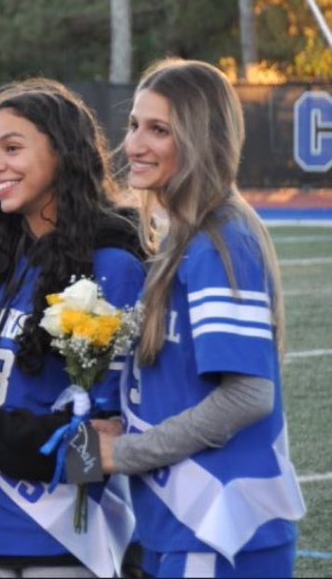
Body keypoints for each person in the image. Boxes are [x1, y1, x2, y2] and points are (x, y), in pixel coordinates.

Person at [0, 79, 146, 578]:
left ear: (62, 152)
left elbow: (108, 435)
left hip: (62, 538)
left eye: (12, 148)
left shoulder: (113, 264)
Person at [96, 59, 305, 578]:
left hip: (217, 527)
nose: (135, 144)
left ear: (199, 139)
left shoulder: (219, 239)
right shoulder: (180, 235)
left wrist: (124, 453)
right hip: (183, 528)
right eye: (134, 125)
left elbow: (247, 396)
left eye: (159, 130)